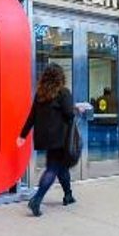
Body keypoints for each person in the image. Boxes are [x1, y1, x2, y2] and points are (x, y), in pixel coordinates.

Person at [17, 63, 75, 216]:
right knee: (53, 168)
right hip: (60, 138)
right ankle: (37, 199)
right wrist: (78, 109)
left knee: (61, 167)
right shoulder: (63, 93)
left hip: (45, 138)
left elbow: (32, 116)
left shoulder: (40, 94)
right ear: (60, 77)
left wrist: (22, 135)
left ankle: (68, 195)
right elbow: (70, 114)